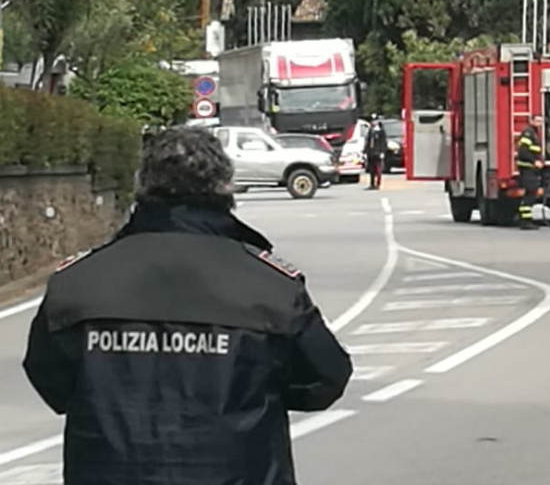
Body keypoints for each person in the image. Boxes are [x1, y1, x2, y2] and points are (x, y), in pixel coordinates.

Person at [23, 127, 351, 485]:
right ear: (224, 185)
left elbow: (49, 377)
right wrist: (258, 392)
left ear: (142, 186)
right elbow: (326, 377)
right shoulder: (267, 284)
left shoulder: (80, 282)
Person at [516, 115, 545, 230]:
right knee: (530, 193)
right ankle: (525, 221)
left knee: (531, 193)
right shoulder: (528, 133)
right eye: (537, 121)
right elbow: (523, 152)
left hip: (531, 169)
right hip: (527, 168)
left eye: (541, 121)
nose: (539, 123)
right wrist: (534, 161)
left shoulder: (534, 133)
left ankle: (526, 220)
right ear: (531, 121)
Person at [365, 114, 388, 190]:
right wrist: (365, 151)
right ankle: (372, 184)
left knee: (378, 169)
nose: (373, 122)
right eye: (372, 121)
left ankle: (378, 184)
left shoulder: (381, 131)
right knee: (371, 169)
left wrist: (382, 152)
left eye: (375, 121)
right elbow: (368, 142)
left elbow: (383, 142)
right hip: (370, 152)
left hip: (378, 152)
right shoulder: (370, 130)